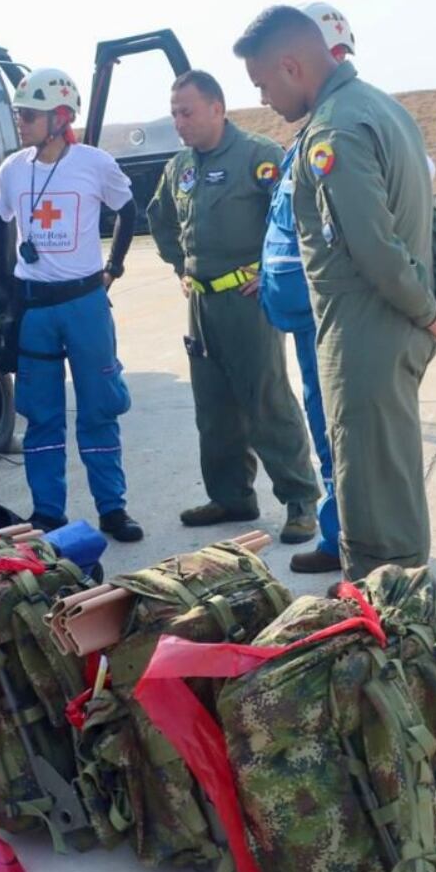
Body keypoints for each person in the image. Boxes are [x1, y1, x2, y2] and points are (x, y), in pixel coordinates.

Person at [233, 4, 436, 581]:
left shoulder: (334, 130)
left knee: (372, 504)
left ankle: (388, 626)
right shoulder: (385, 109)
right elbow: (430, 218)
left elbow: (374, 246)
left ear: (291, 66)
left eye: (263, 83)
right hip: (389, 330)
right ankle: (401, 611)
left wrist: (429, 310)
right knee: (391, 480)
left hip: (365, 335)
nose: (264, 99)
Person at [146, 68, 321, 545]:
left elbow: (294, 217)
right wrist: (180, 264)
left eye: (188, 112)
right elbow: (159, 218)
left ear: (217, 108)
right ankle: (232, 496)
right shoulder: (179, 167)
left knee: (266, 400)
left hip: (248, 303)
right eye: (174, 114)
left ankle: (301, 499)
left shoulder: (258, 156)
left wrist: (269, 271)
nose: (180, 122)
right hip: (202, 304)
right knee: (213, 408)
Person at [0, 67, 143, 542]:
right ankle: (48, 512)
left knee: (99, 406)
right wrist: (10, 289)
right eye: (19, 115)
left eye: (30, 115)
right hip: (36, 310)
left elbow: (128, 210)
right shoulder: (13, 169)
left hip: (84, 304)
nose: (22, 123)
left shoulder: (94, 163)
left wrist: (113, 267)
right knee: (42, 414)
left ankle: (113, 509)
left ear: (59, 118)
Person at [253, 2, 358, 574]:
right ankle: (337, 529)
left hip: (333, 315)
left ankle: (347, 535)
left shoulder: (346, 132)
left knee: (340, 432)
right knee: (324, 428)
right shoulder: (303, 140)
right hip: (306, 317)